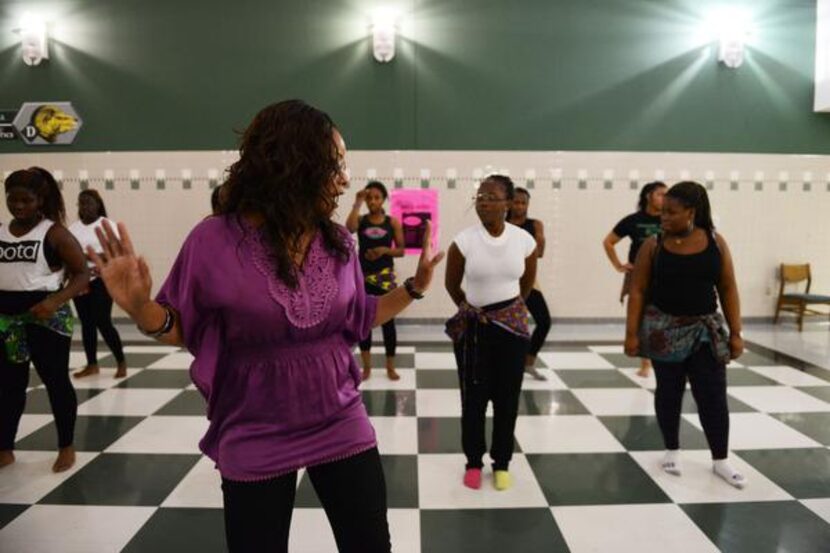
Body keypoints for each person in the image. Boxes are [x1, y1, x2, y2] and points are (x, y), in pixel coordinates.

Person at [90, 100, 444, 553]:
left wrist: (414, 287)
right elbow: (182, 327)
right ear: (294, 165)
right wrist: (141, 308)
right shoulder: (212, 240)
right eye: (334, 164)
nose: (344, 179)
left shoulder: (336, 240)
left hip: (339, 415)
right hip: (254, 426)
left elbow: (357, 319)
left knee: (371, 544)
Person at [624, 181, 746, 489]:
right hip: (664, 331)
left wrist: (737, 333)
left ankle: (721, 459)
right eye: (662, 211)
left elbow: (728, 287)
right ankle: (672, 450)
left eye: (671, 212)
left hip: (705, 332)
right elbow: (637, 291)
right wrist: (631, 335)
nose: (663, 217)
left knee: (713, 396)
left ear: (691, 212)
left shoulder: (716, 243)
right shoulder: (654, 245)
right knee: (669, 392)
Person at [445, 174, 537, 491]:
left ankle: (502, 463)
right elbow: (451, 285)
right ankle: (473, 461)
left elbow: (526, 286)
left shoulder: (524, 241)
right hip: (474, 331)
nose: (483, 201)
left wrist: (504, 312)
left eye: (492, 196)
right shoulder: (464, 240)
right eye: (480, 195)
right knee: (473, 399)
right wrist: (473, 311)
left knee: (507, 399)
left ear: (508, 204)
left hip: (511, 331)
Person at [0, 167, 90, 472]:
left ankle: (66, 445)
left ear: (40, 200)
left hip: (46, 319)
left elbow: (82, 274)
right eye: (13, 200)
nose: (19, 206)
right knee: (9, 385)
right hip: (7, 322)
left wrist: (54, 301)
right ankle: (5, 446)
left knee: (55, 382)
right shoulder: (0, 230)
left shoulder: (54, 233)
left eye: (26, 200)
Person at [603, 181, 666, 377]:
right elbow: (609, 241)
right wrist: (618, 265)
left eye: (667, 195)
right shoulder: (633, 220)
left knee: (664, 317)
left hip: (664, 275)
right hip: (639, 276)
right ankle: (645, 362)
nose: (664, 198)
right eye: (660, 194)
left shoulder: (669, 219)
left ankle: (664, 358)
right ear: (648, 196)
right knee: (641, 317)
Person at [346, 181, 405, 381]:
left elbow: (401, 250)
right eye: (369, 197)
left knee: (388, 323)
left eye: (377, 197)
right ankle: (367, 368)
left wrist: (385, 250)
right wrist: (357, 202)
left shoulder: (392, 222)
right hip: (362, 277)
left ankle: (390, 367)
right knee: (365, 322)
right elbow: (348, 228)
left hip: (386, 279)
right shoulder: (361, 220)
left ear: (383, 199)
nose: (372, 201)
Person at [69, 190, 128, 379]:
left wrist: (87, 257)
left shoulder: (107, 225)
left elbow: (117, 253)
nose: (85, 207)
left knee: (102, 321)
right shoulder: (73, 229)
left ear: (98, 204)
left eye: (89, 203)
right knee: (86, 323)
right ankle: (92, 364)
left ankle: (121, 361)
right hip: (80, 280)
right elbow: (67, 255)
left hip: (103, 280)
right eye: (81, 203)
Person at [507, 186, 551, 381]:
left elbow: (539, 252)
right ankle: (506, 365)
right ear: (508, 203)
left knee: (544, 321)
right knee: (510, 327)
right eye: (516, 202)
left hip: (528, 281)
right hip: (505, 281)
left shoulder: (535, 224)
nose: (519, 206)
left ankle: (529, 362)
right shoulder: (500, 223)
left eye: (523, 202)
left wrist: (538, 239)